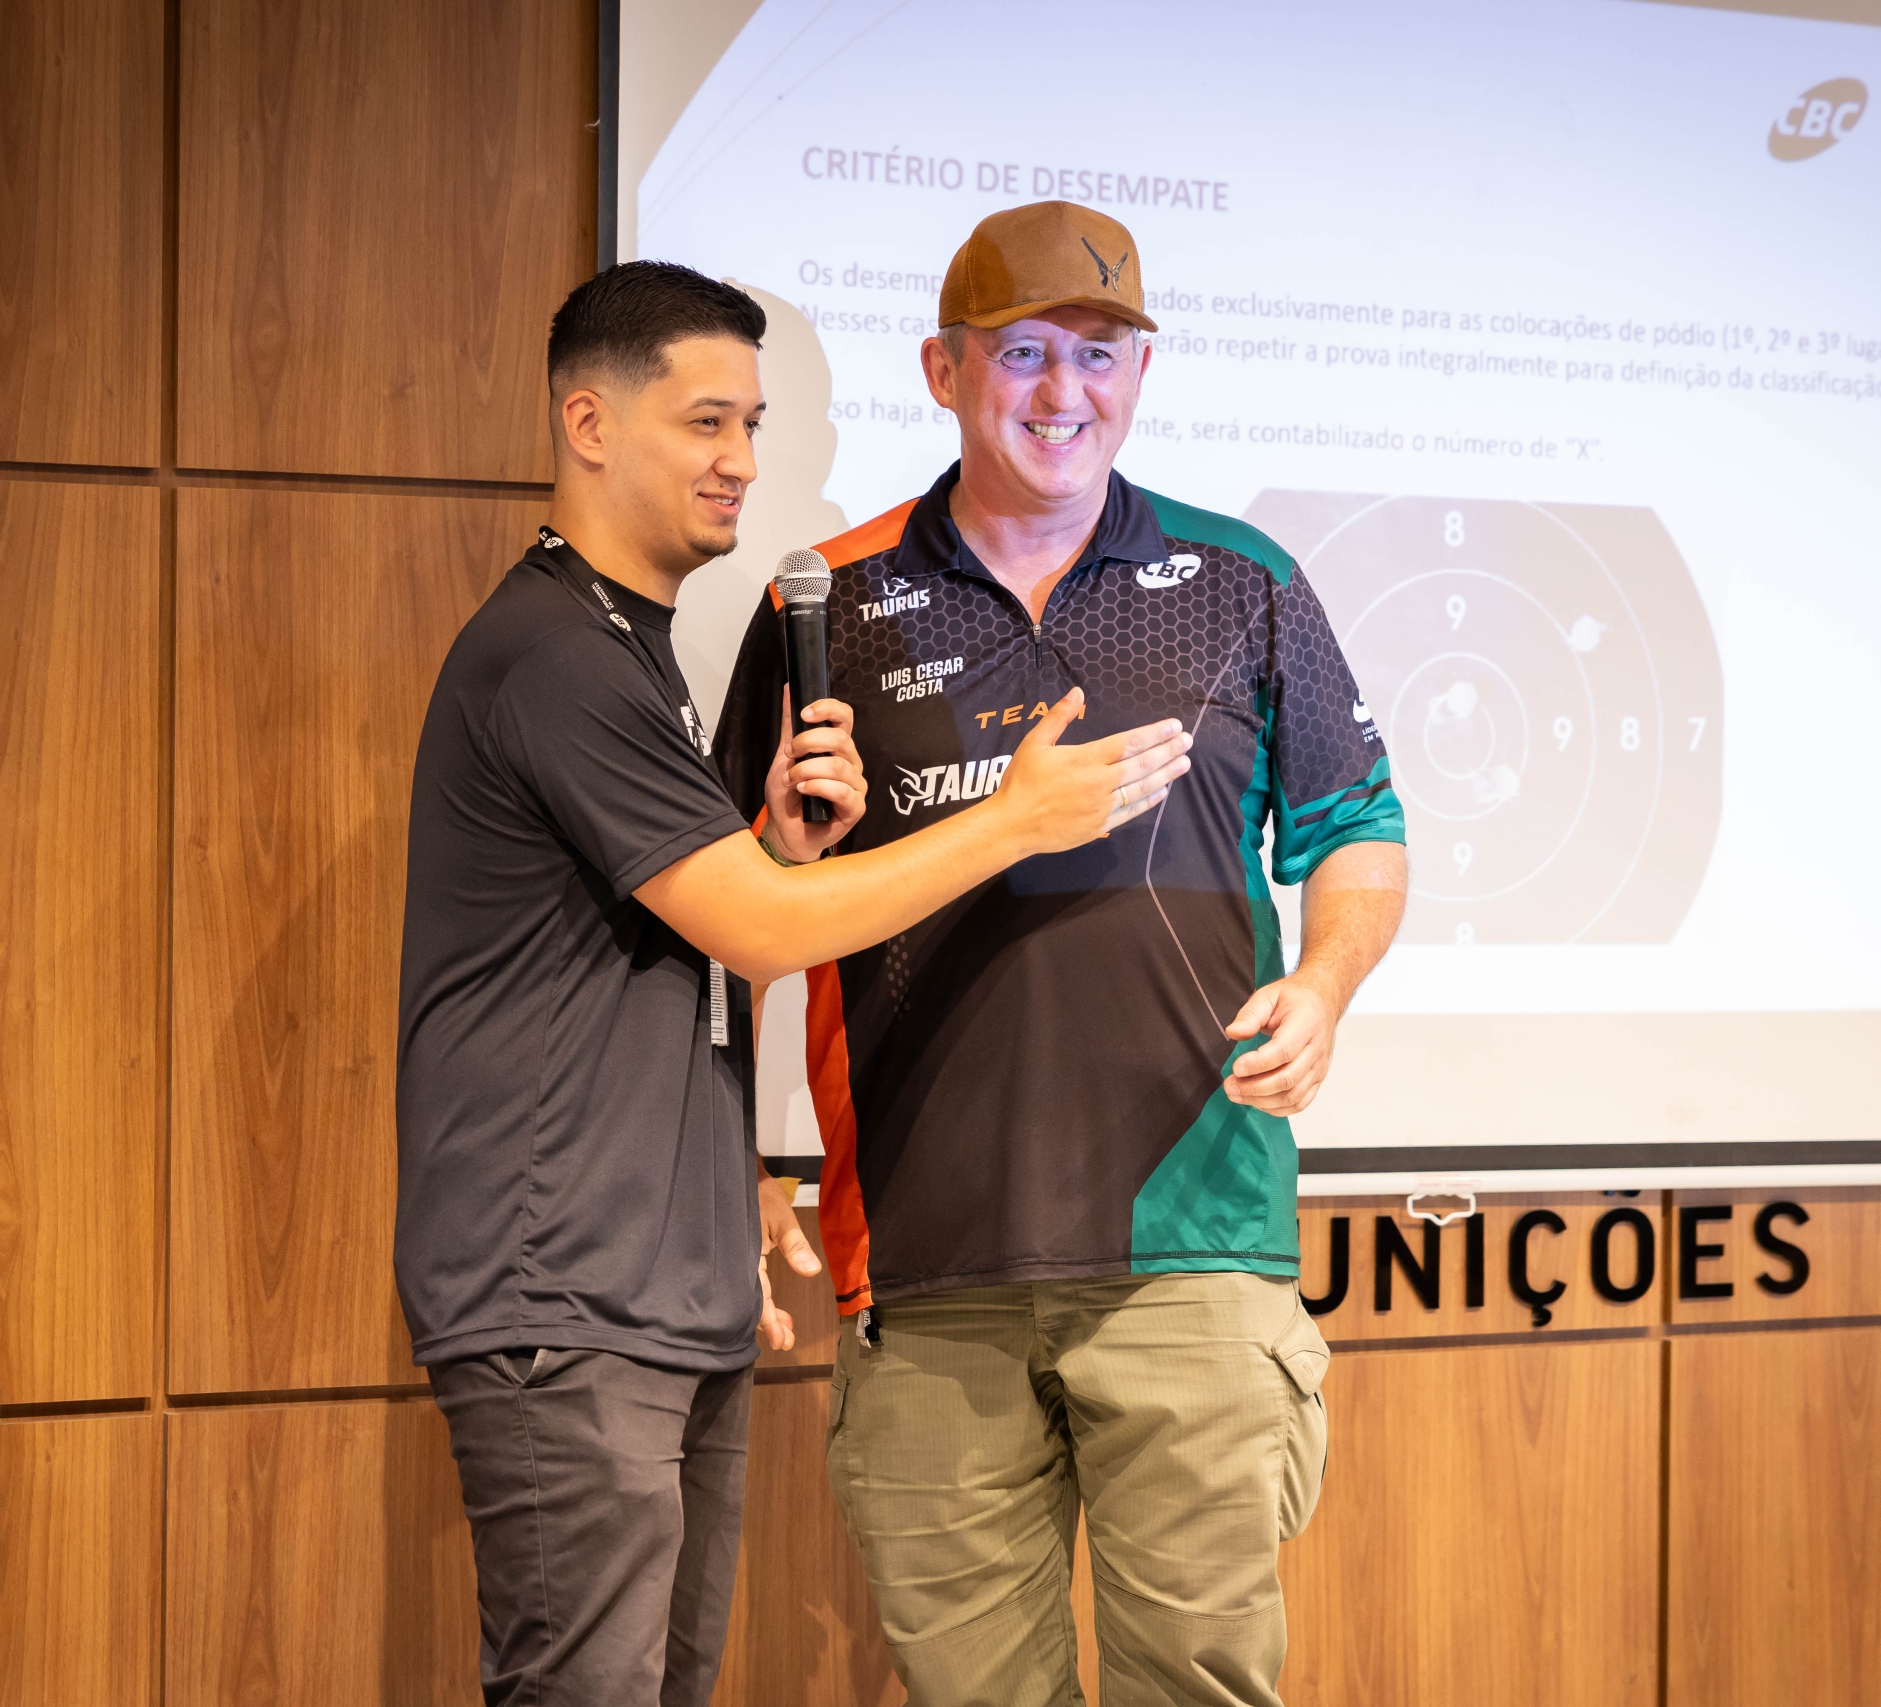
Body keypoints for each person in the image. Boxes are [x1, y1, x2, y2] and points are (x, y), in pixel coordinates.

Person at [394, 260, 1194, 1707]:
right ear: (589, 423)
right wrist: (1012, 821)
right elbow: (764, 934)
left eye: (753, 426)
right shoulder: (555, 656)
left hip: (654, 1286)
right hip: (564, 1286)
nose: (742, 464)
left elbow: (677, 943)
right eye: (705, 423)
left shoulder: (628, 652)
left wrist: (773, 849)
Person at [712, 204, 1410, 1706]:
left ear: (1141, 372)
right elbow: (727, 914)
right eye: (1023, 351)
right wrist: (741, 1140)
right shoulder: (825, 600)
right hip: (924, 1257)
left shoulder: (1242, 581)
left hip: (1193, 1248)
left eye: (1100, 354)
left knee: (1201, 1685)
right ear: (944, 370)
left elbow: (1359, 822)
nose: (1062, 391)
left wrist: (1326, 983)